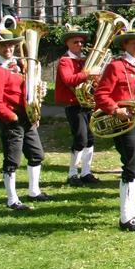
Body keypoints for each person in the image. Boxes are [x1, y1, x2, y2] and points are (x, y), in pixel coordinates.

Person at [94, 24, 135, 232]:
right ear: (125, 45)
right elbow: (101, 95)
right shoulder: (116, 66)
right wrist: (115, 109)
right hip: (125, 123)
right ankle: (124, 217)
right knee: (130, 166)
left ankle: (133, 210)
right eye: (133, 42)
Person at [0, 25, 47, 211]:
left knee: (37, 155)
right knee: (12, 160)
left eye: (11, 45)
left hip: (26, 115)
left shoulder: (20, 65)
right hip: (11, 118)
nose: (8, 49)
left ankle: (34, 191)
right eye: (4, 46)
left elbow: (30, 88)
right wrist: (11, 116)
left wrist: (38, 95)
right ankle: (12, 200)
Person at [55, 24, 99, 186]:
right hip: (73, 104)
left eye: (81, 42)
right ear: (68, 43)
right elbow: (68, 80)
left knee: (90, 138)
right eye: (76, 42)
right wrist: (87, 74)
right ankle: (72, 173)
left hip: (87, 102)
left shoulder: (84, 60)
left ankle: (86, 171)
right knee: (80, 138)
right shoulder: (65, 61)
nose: (80, 45)